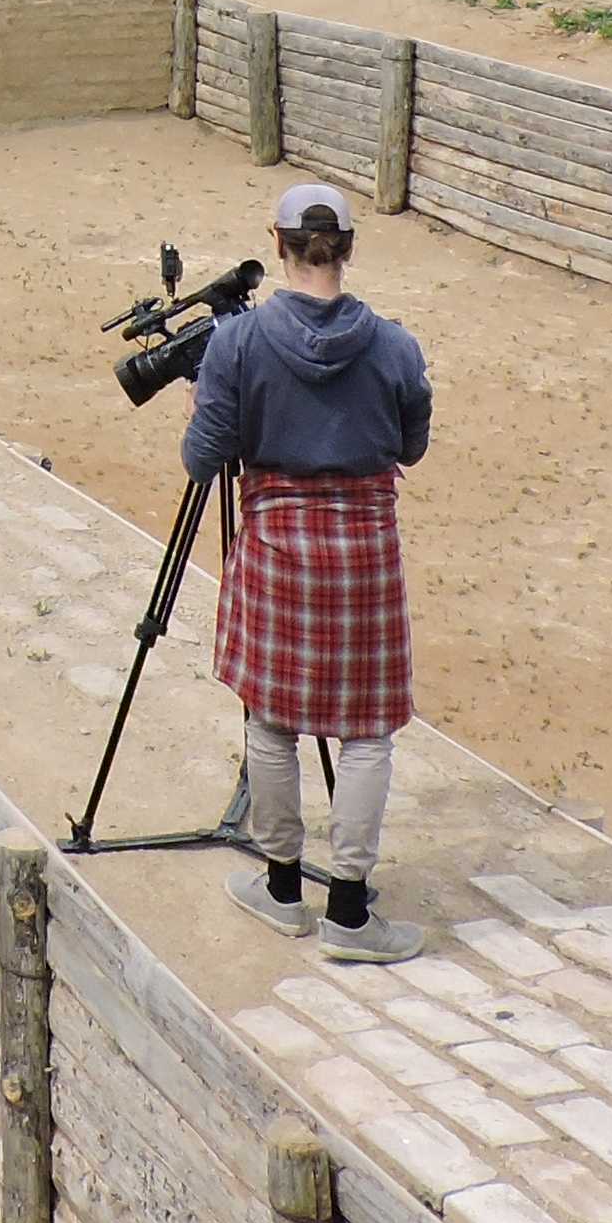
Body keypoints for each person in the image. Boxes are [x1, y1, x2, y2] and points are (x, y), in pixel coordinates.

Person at [184, 183, 434, 965]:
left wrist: (213, 401)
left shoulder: (238, 344)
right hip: (364, 548)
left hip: (276, 543)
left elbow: (202, 459)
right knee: (367, 734)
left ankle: (285, 890)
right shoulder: (395, 345)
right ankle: (351, 914)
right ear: (349, 249)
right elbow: (412, 446)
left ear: (278, 242)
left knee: (270, 718)